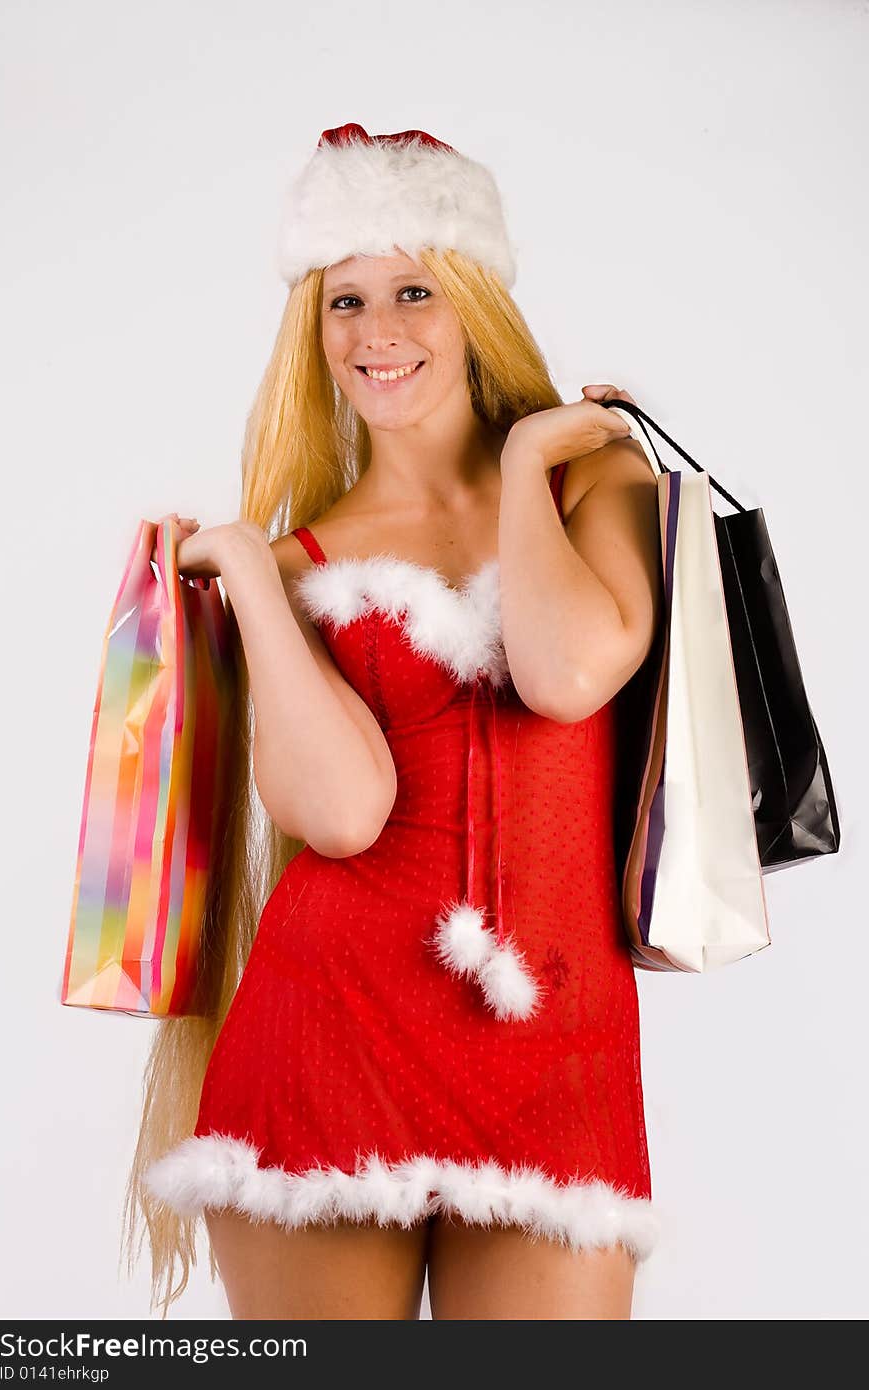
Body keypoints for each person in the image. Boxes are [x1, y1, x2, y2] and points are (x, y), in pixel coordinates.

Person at [122, 123, 663, 1321]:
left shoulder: (593, 479)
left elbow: (568, 672)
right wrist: (256, 585)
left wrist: (523, 466)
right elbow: (341, 812)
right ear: (310, 334)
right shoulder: (305, 558)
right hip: (325, 1046)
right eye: (343, 301)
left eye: (413, 289)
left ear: (473, 299)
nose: (376, 332)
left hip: (554, 1058)